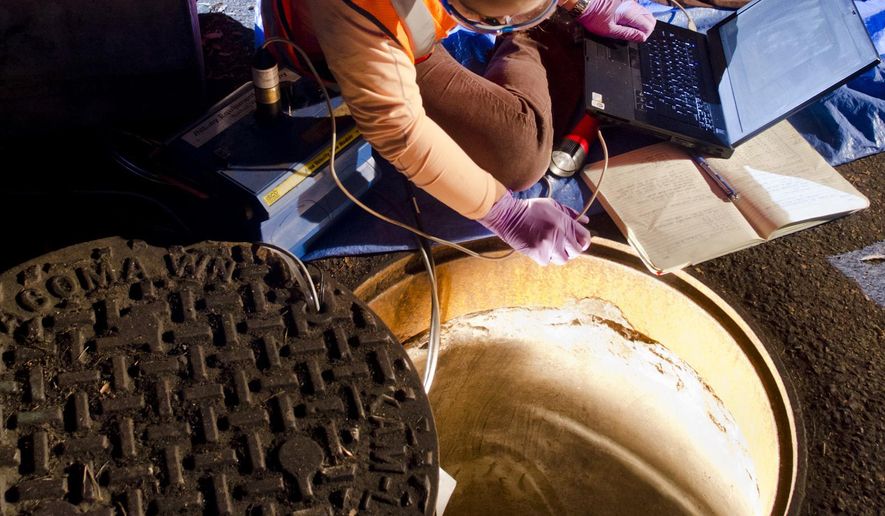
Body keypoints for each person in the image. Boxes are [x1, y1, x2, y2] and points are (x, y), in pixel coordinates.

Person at [260, 0, 655, 265]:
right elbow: (400, 132)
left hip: (414, 25)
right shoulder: (360, 13)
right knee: (518, 155)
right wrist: (504, 214)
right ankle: (531, 35)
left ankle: (535, 25)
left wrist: (584, 4)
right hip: (376, 38)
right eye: (496, 19)